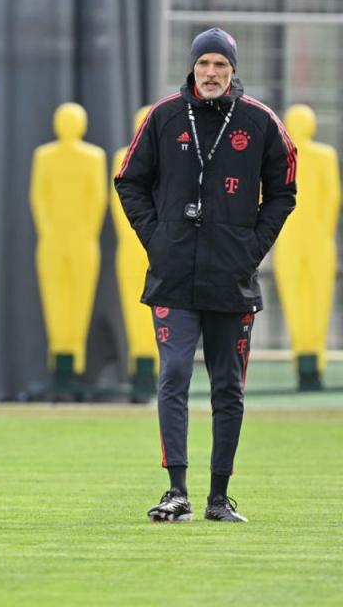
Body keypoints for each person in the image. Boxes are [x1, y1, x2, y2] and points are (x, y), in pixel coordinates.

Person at [116, 28, 296, 522]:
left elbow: (284, 190)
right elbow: (129, 179)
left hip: (231, 278)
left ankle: (219, 497)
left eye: (220, 64)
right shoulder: (164, 117)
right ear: (192, 68)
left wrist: (252, 247)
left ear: (233, 69)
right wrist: (157, 238)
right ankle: (177, 491)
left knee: (228, 388)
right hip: (173, 277)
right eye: (203, 65)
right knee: (173, 375)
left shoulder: (260, 121)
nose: (211, 73)